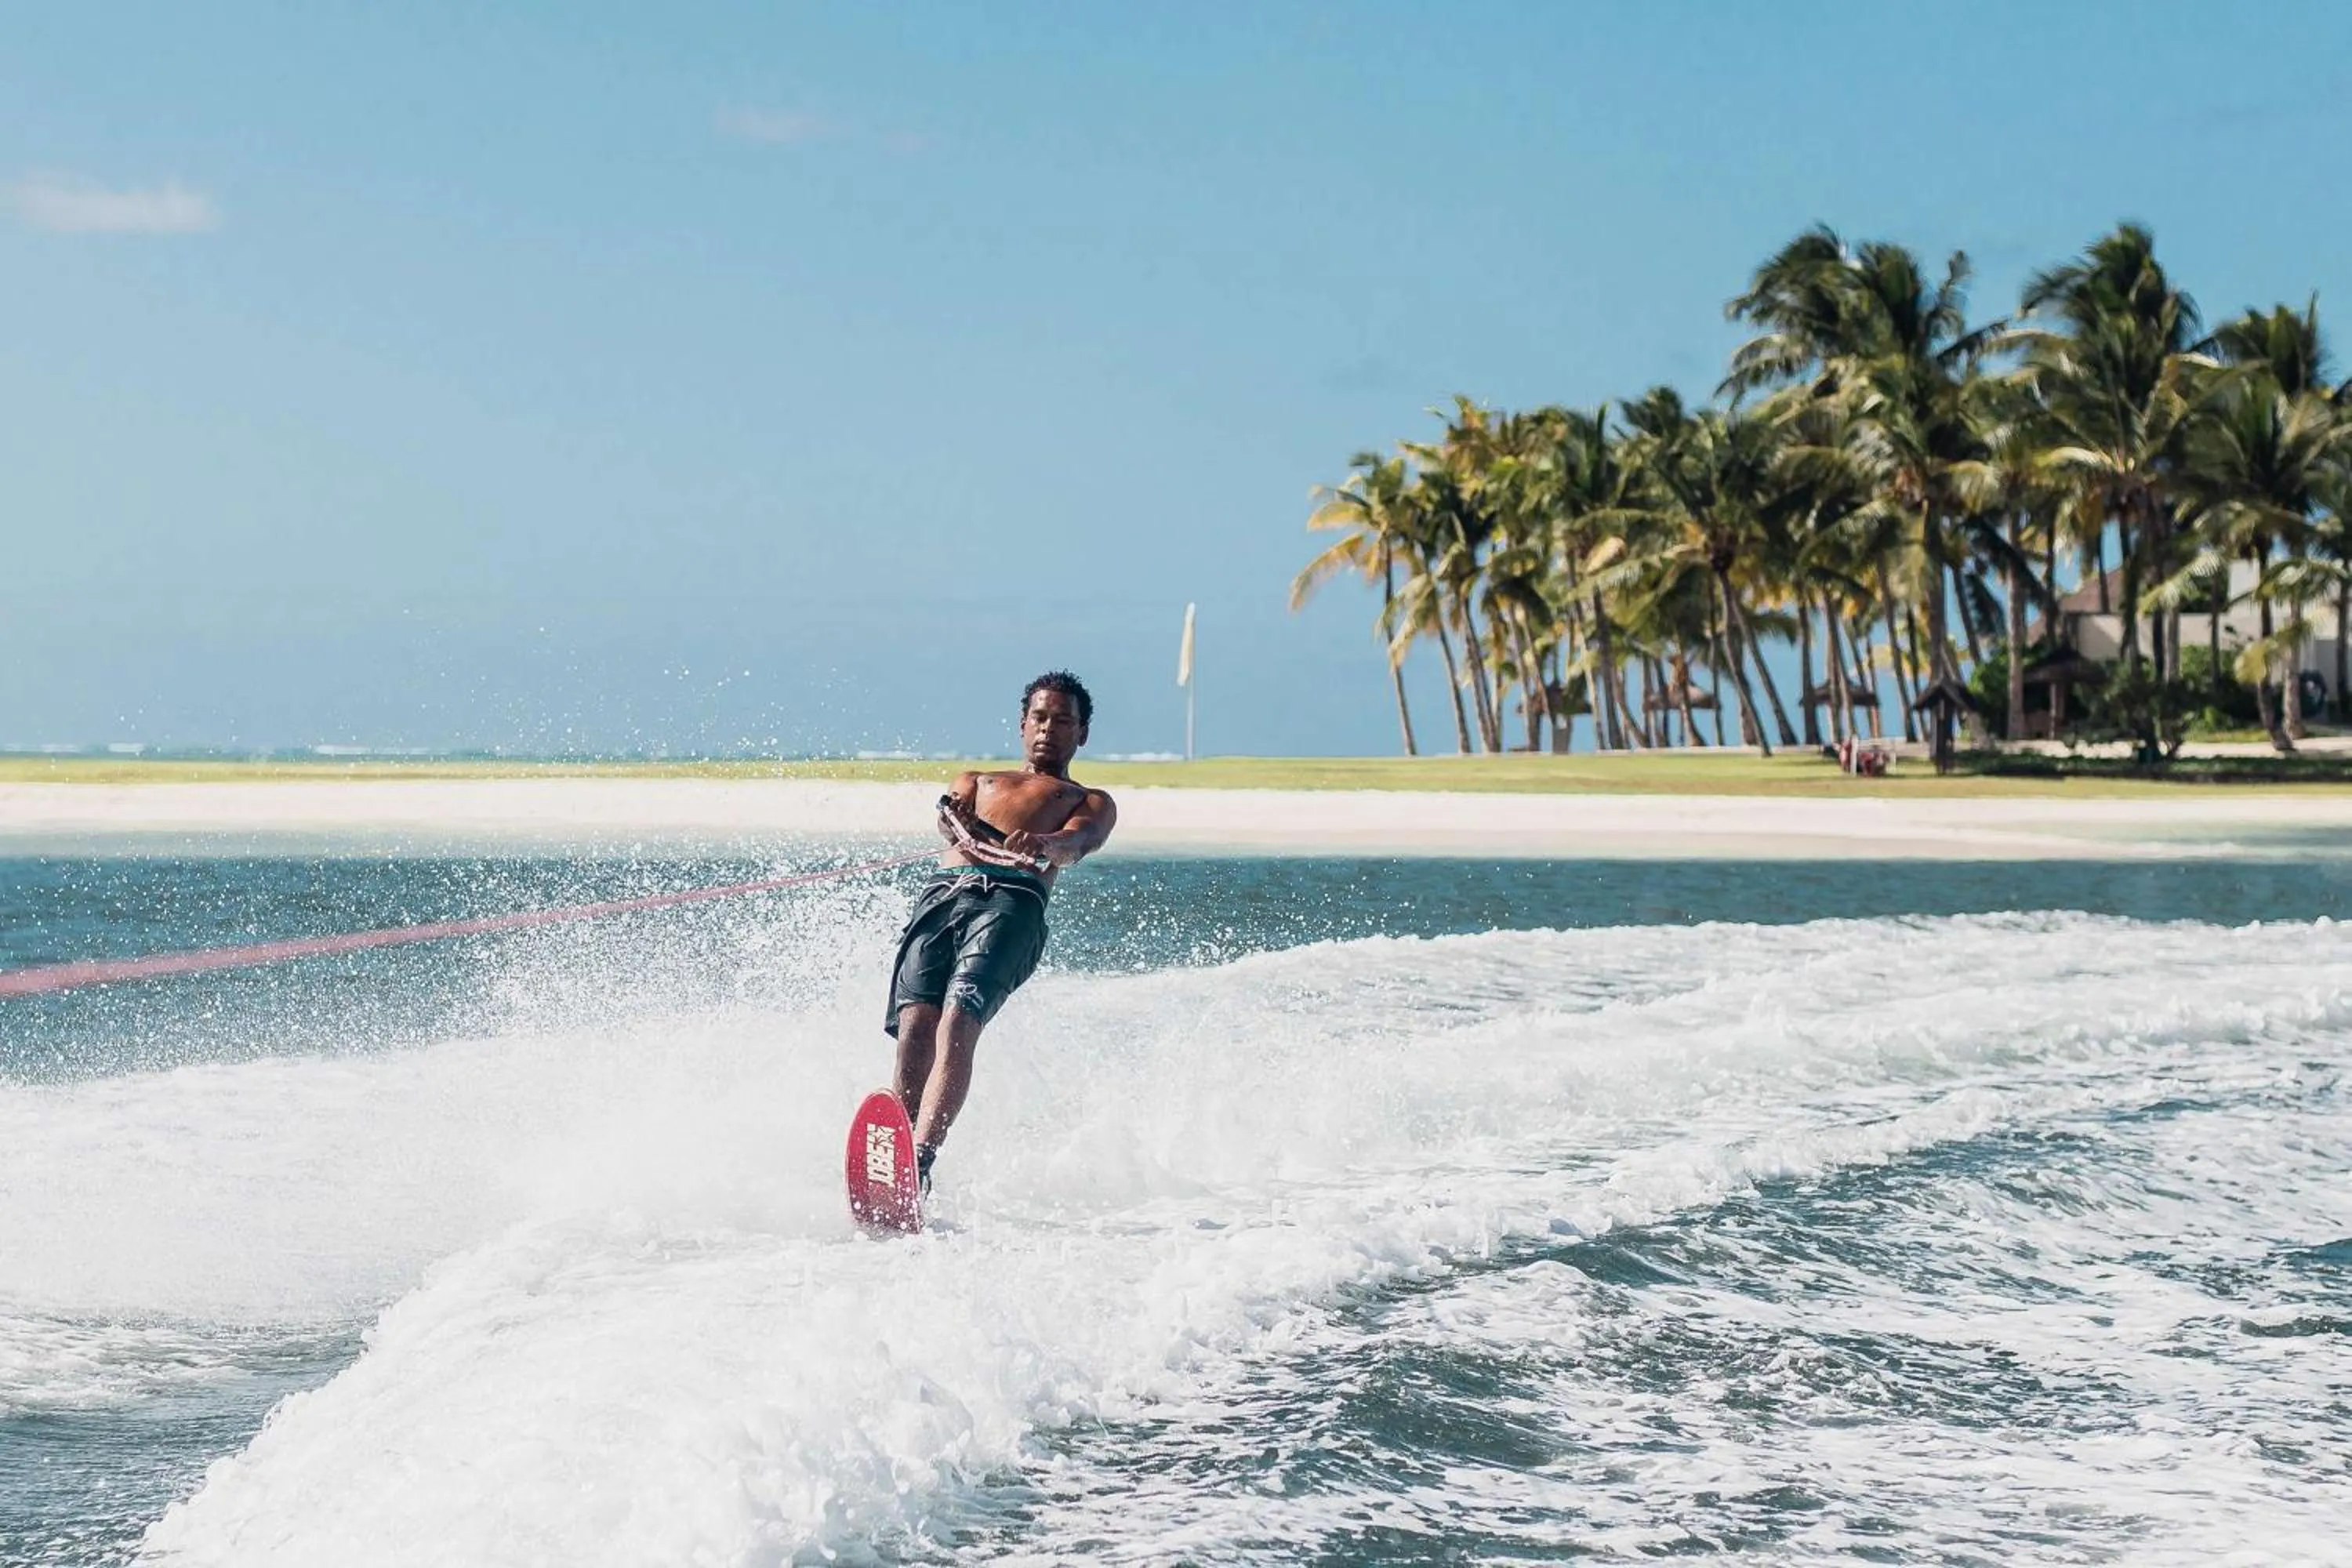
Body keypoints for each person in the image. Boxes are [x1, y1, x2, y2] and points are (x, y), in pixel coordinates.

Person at [884, 670, 1117, 1192]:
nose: (1048, 729)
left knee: (958, 1021)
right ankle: (893, 1154)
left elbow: (1079, 842)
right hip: (943, 896)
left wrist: (1045, 845)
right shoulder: (975, 780)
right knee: (916, 1027)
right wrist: (959, 824)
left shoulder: (1088, 799)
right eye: (1040, 717)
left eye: (1063, 721)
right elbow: (948, 819)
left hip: (1012, 903)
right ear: (1022, 724)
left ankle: (921, 1159)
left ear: (1082, 733)